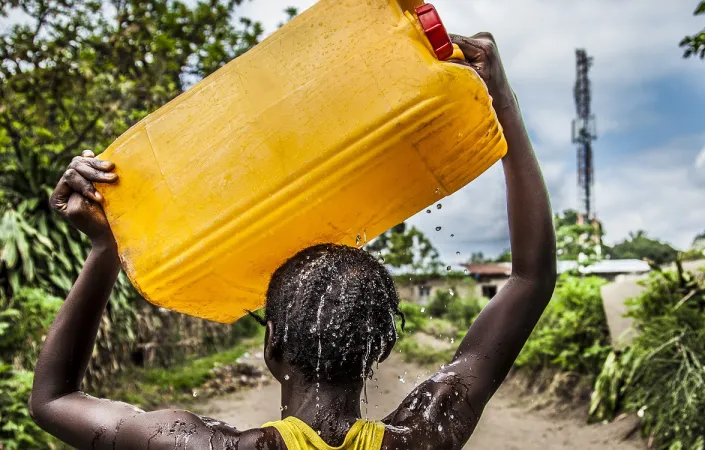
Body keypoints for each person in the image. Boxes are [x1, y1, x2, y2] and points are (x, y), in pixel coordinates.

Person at [29, 32, 556, 450]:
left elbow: (54, 400)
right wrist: (499, 101)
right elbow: (530, 280)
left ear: (272, 344)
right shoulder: (423, 436)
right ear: (382, 346)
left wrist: (106, 249)